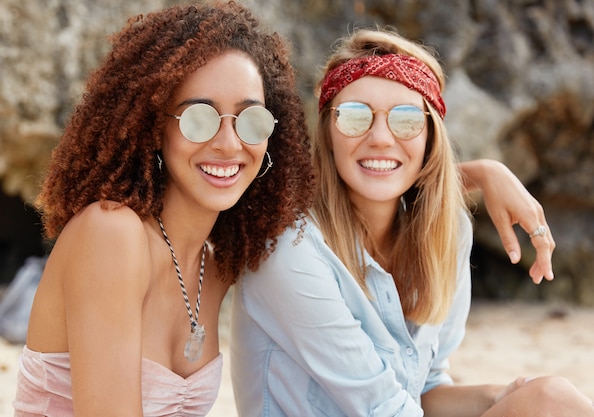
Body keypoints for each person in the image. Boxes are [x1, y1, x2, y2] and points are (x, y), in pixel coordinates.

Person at [231, 27, 593, 416]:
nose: (381, 138)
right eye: (355, 117)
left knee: (549, 397)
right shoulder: (290, 247)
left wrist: (506, 397)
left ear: (430, 138)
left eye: (406, 120)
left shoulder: (446, 234)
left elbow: (425, 387)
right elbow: (383, 408)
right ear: (328, 133)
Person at [12, 2, 314, 416]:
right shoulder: (110, 234)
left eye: (251, 119)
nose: (229, 143)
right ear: (154, 127)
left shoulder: (218, 269)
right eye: (199, 117)